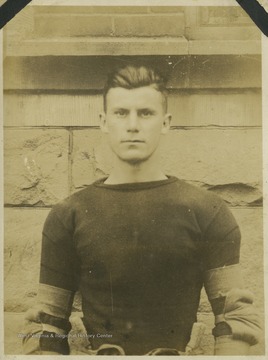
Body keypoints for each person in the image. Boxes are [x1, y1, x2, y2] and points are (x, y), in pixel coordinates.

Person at [22, 64, 261, 355]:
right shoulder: (68, 215)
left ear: (166, 122)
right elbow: (48, 329)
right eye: (121, 113)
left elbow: (234, 323)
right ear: (104, 121)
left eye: (145, 113)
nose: (132, 125)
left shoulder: (208, 211)